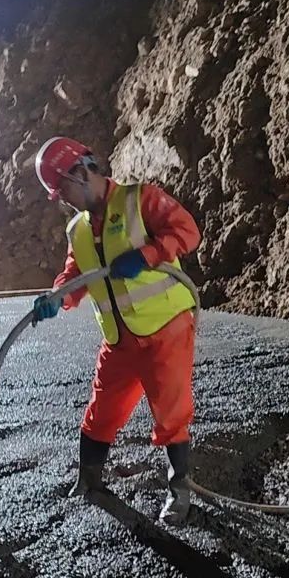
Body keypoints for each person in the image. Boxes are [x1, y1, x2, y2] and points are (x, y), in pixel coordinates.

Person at [31, 136, 200, 526]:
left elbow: (186, 230)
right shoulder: (77, 229)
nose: (65, 200)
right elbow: (76, 275)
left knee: (170, 413)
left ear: (82, 171)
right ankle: (88, 480)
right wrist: (58, 297)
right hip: (120, 338)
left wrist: (148, 255)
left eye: (63, 189)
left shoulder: (140, 200)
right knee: (101, 411)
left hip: (165, 329)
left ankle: (181, 491)